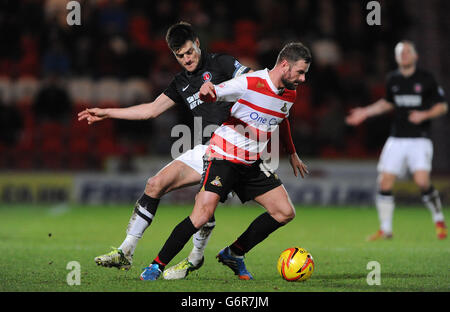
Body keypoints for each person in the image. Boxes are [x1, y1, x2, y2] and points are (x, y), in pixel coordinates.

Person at [77, 22, 304, 279]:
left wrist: (289, 148)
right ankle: (125, 251)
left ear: (197, 43)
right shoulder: (180, 82)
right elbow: (150, 110)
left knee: (205, 209)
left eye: (188, 52)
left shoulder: (223, 63)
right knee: (155, 184)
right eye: (179, 55)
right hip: (209, 148)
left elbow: (261, 88)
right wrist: (108, 112)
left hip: (239, 147)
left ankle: (196, 257)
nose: (186, 59)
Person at [139, 42, 311, 281]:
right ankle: (156, 266)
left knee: (284, 212)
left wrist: (292, 152)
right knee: (200, 216)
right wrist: (208, 89)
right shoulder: (251, 82)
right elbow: (216, 91)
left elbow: (282, 117)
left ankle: (234, 253)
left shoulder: (290, 93)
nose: (303, 78)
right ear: (284, 65)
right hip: (223, 157)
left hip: (251, 162)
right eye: (300, 72)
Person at [346, 40, 448, 240]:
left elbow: (442, 106)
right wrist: (365, 112)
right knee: (384, 182)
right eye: (400, 52)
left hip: (420, 139)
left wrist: (424, 115)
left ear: (415, 56)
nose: (404, 55)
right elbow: (388, 103)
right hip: (397, 138)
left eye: (407, 52)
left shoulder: (426, 79)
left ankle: (438, 219)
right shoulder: (393, 79)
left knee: (422, 182)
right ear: (396, 57)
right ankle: (386, 229)